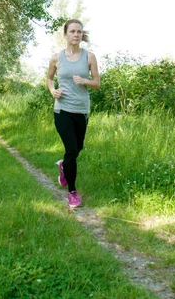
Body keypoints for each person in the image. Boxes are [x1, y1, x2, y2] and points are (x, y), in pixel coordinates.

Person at [46, 19, 100, 208]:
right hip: (62, 109)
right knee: (71, 150)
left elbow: (97, 83)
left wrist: (85, 81)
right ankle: (72, 193)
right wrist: (53, 91)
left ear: (82, 35)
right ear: (66, 34)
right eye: (72, 31)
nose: (76, 35)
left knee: (77, 149)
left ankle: (63, 166)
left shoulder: (89, 57)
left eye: (79, 31)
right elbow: (49, 79)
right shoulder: (56, 58)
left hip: (81, 109)